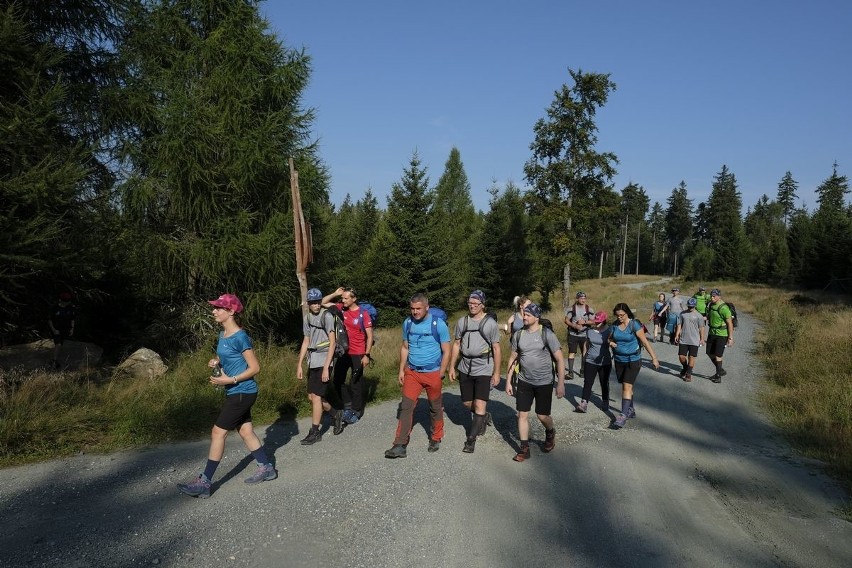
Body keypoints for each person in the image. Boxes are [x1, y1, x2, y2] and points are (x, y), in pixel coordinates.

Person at [178, 294, 276, 498]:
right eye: (214, 308)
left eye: (219, 308)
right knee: (246, 431)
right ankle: (267, 468)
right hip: (236, 391)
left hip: (242, 391)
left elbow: (255, 367)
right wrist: (217, 362)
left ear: (231, 312)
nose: (214, 311)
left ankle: (204, 482)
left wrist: (229, 381)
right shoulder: (223, 334)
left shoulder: (240, 336)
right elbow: (231, 359)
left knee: (217, 432)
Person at [385, 293, 451, 458]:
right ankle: (399, 444)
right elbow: (405, 348)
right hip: (412, 373)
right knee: (406, 407)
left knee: (435, 407)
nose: (415, 312)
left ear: (427, 307)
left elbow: (447, 350)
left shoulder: (439, 324)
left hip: (432, 372)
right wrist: (401, 369)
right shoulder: (407, 323)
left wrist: (442, 371)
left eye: (418, 309)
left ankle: (436, 437)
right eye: (412, 309)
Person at [505, 303, 566, 462]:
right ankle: (524, 449)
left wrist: (560, 383)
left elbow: (559, 359)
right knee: (522, 415)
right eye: (524, 314)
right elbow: (513, 358)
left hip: (544, 382)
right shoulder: (518, 335)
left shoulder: (547, 334)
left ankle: (550, 431)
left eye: (528, 315)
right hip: (524, 380)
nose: (524, 317)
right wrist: (508, 381)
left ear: (536, 317)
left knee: (542, 415)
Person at [449, 290, 502, 453]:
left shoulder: (490, 323)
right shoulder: (462, 322)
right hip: (465, 366)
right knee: (467, 403)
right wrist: (451, 366)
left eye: (475, 304)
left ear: (482, 305)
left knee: (479, 403)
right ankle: (484, 416)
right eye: (470, 303)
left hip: (484, 367)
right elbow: (456, 344)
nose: (472, 306)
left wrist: (497, 372)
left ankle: (470, 440)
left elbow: (496, 348)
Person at [296, 288, 343, 445]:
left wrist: (326, 367)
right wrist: (300, 364)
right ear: (308, 304)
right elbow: (306, 341)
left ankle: (315, 432)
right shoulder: (307, 318)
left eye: (318, 301)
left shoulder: (327, 316)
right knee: (312, 397)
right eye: (313, 302)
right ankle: (336, 414)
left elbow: (333, 342)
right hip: (313, 359)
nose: (316, 305)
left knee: (316, 397)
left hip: (324, 359)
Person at [322, 286, 373, 426]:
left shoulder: (363, 314)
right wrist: (335, 293)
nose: (342, 300)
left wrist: (367, 355)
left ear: (354, 299)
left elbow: (369, 336)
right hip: (344, 353)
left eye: (345, 298)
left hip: (358, 353)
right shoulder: (341, 308)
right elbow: (323, 302)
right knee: (338, 380)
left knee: (355, 383)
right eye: (342, 298)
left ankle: (356, 412)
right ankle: (347, 405)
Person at [608, 303, 659, 429]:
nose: (619, 317)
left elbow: (645, 342)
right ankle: (630, 409)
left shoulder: (634, 324)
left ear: (627, 313)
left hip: (633, 360)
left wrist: (654, 358)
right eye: (617, 315)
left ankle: (622, 416)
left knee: (626, 386)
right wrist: (611, 342)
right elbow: (608, 338)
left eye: (622, 315)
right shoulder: (614, 325)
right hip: (619, 360)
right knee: (627, 387)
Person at [577, 310, 612, 413]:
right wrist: (584, 355)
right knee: (588, 382)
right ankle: (583, 403)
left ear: (604, 321)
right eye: (595, 321)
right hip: (590, 360)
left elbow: (614, 342)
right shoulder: (590, 331)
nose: (596, 323)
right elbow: (586, 344)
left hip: (604, 362)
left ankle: (605, 401)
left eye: (599, 321)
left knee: (604, 382)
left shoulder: (609, 331)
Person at [706, 288, 734, 383]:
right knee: (709, 353)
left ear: (719, 296)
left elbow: (730, 323)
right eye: (711, 296)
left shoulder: (724, 308)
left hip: (722, 335)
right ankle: (720, 370)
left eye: (714, 296)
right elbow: (709, 317)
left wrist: (730, 338)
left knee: (718, 355)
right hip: (712, 332)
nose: (712, 297)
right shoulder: (711, 305)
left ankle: (718, 376)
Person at [674, 297, 706, 382]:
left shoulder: (699, 316)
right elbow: (679, 325)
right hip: (683, 339)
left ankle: (688, 374)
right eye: (689, 306)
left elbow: (701, 328)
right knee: (681, 357)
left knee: (691, 357)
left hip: (694, 340)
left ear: (695, 306)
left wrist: (702, 339)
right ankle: (685, 367)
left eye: (692, 306)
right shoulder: (682, 314)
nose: (690, 308)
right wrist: (677, 335)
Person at [563, 291, 594, 377]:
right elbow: (566, 320)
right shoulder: (572, 309)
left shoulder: (589, 309)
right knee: (571, 352)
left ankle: (582, 371)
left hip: (584, 335)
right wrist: (574, 325)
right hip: (573, 334)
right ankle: (570, 372)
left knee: (584, 352)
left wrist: (585, 322)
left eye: (584, 298)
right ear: (577, 299)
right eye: (581, 298)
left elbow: (593, 321)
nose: (583, 300)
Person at [48, 291, 75, 370]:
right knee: (58, 344)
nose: (69, 302)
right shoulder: (54, 308)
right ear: (63, 301)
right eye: (68, 301)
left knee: (63, 344)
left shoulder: (70, 308)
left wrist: (72, 329)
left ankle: (61, 358)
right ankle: (54, 361)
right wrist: (54, 330)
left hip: (66, 329)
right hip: (56, 330)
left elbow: (72, 319)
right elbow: (49, 320)